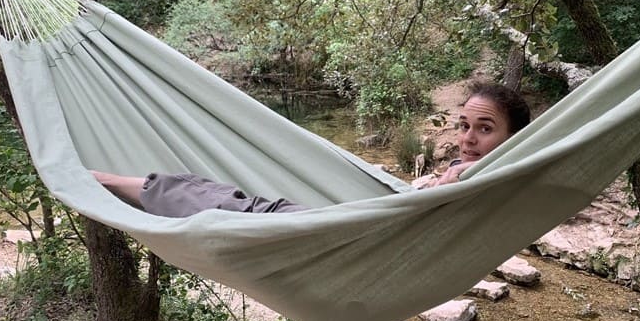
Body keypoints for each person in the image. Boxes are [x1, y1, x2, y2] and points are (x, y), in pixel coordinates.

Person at [93, 81, 530, 217]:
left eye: (485, 129)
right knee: (239, 203)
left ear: (514, 139)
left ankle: (109, 180)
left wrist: (448, 184)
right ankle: (135, 184)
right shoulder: (465, 169)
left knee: (237, 208)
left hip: (358, 232)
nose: (468, 138)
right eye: (464, 125)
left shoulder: (484, 181)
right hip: (369, 216)